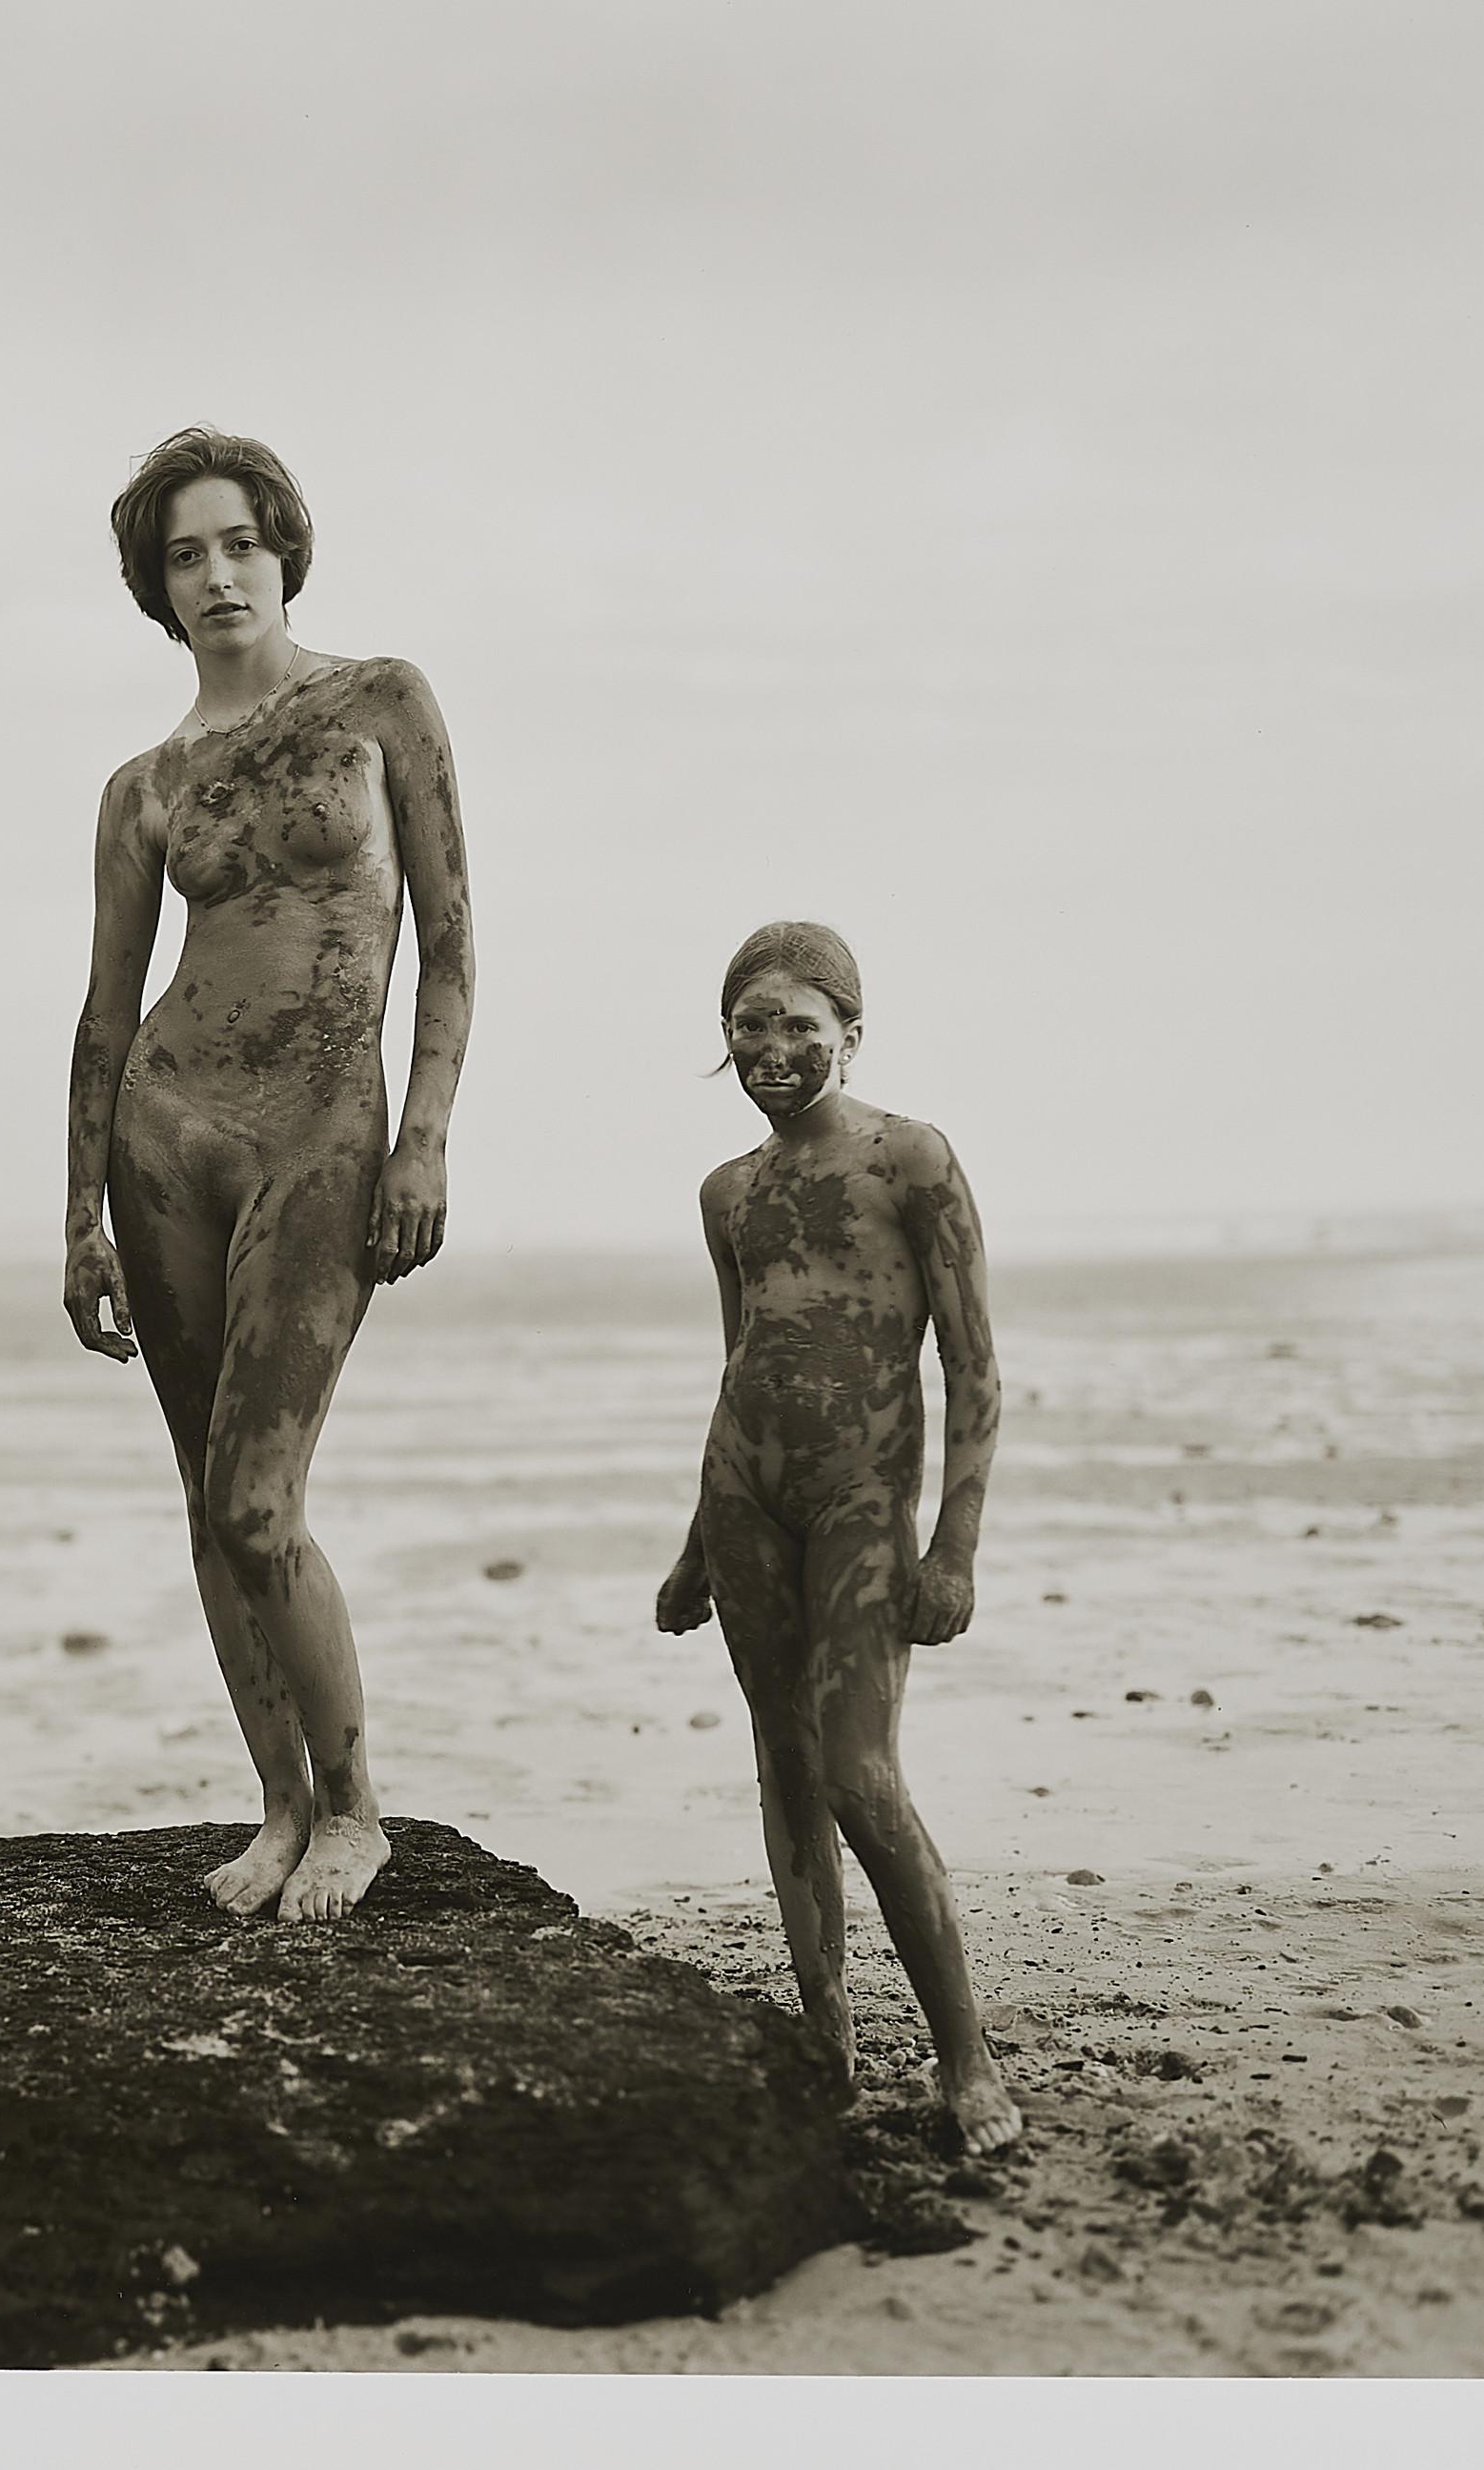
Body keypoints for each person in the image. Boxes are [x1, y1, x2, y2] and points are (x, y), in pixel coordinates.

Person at [64, 427, 475, 1923]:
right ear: (156, 588)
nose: (219, 573)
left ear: (285, 549)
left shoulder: (379, 704)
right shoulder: (145, 785)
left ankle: (358, 1811)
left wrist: (424, 1131)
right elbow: (108, 1013)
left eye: (240, 542)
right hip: (167, 1137)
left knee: (258, 1498)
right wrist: (78, 1220)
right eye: (186, 555)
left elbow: (451, 938)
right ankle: (280, 1807)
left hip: (326, 1128)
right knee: (201, 1492)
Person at [654, 921, 1023, 2154]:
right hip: (743, 1495)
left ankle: (968, 2067)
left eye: (797, 1025)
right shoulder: (728, 1195)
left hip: (864, 1499)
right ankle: (829, 2044)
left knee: (860, 1772)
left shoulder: (910, 1160)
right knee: (783, 1761)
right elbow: (738, 1358)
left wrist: (955, 1549)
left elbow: (973, 1371)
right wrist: (696, 1544)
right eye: (748, 1025)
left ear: (850, 1036)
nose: (770, 1046)